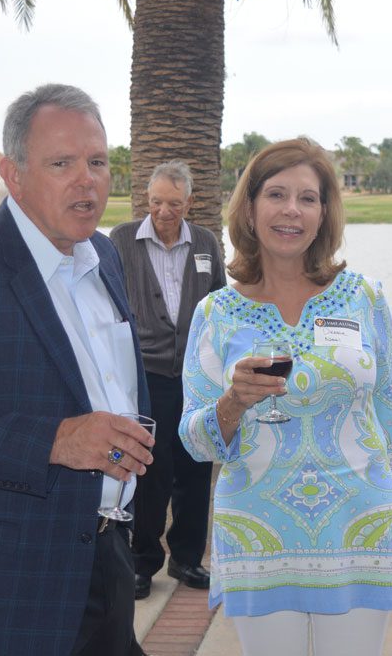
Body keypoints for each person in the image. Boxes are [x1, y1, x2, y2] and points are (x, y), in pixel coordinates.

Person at [0, 83, 155, 656]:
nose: (86, 180)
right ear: (13, 175)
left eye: (97, 162)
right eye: (62, 163)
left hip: (106, 559)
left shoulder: (106, 258)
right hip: (5, 590)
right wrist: (56, 440)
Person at [179, 138, 392, 656]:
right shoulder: (215, 313)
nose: (292, 210)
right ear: (251, 207)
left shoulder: (365, 296)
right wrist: (232, 403)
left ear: (324, 212)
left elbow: (389, 407)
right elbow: (195, 442)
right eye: (277, 194)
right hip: (258, 533)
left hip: (360, 526)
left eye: (308, 198)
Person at [109, 161, 226, 599]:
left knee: (195, 469)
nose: (163, 211)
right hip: (146, 375)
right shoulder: (121, 241)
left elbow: (219, 302)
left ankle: (187, 559)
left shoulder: (206, 242)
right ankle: (142, 564)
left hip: (197, 378)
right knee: (149, 472)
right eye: (156, 202)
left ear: (189, 203)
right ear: (147, 199)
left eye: (173, 204)